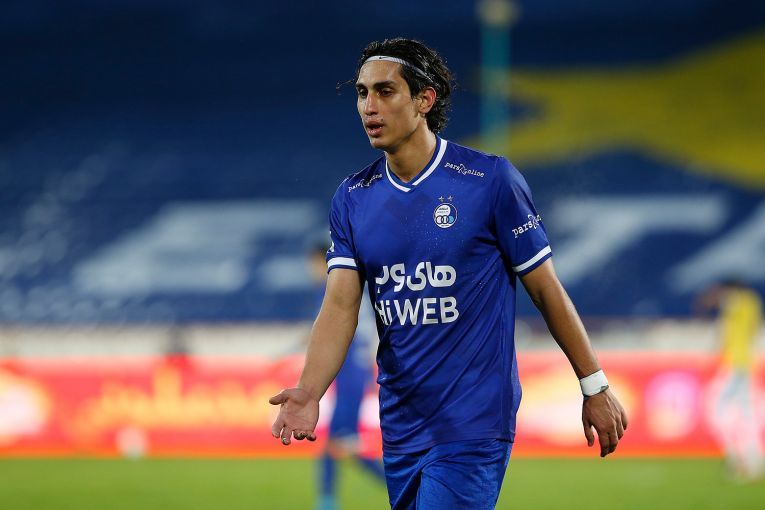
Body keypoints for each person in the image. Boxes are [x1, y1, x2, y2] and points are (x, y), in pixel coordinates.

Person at [270, 38, 628, 509]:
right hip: (401, 423)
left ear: (425, 99)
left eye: (385, 91)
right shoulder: (353, 197)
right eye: (362, 93)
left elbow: (545, 289)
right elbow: (339, 306)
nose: (369, 106)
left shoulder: (489, 180)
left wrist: (594, 385)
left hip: (473, 420)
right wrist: (310, 391)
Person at [306, 242, 386, 510]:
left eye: (313, 265)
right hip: (352, 376)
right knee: (339, 442)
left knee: (341, 443)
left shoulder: (332, 289)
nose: (311, 271)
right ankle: (327, 499)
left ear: (322, 262)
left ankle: (399, 484)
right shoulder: (352, 287)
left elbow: (325, 332)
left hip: (350, 377)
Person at [698, 280, 763, 481]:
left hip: (735, 364)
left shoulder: (739, 302)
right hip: (745, 363)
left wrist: (710, 298)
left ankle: (738, 457)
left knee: (715, 408)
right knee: (746, 412)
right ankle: (752, 459)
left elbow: (721, 302)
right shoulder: (752, 303)